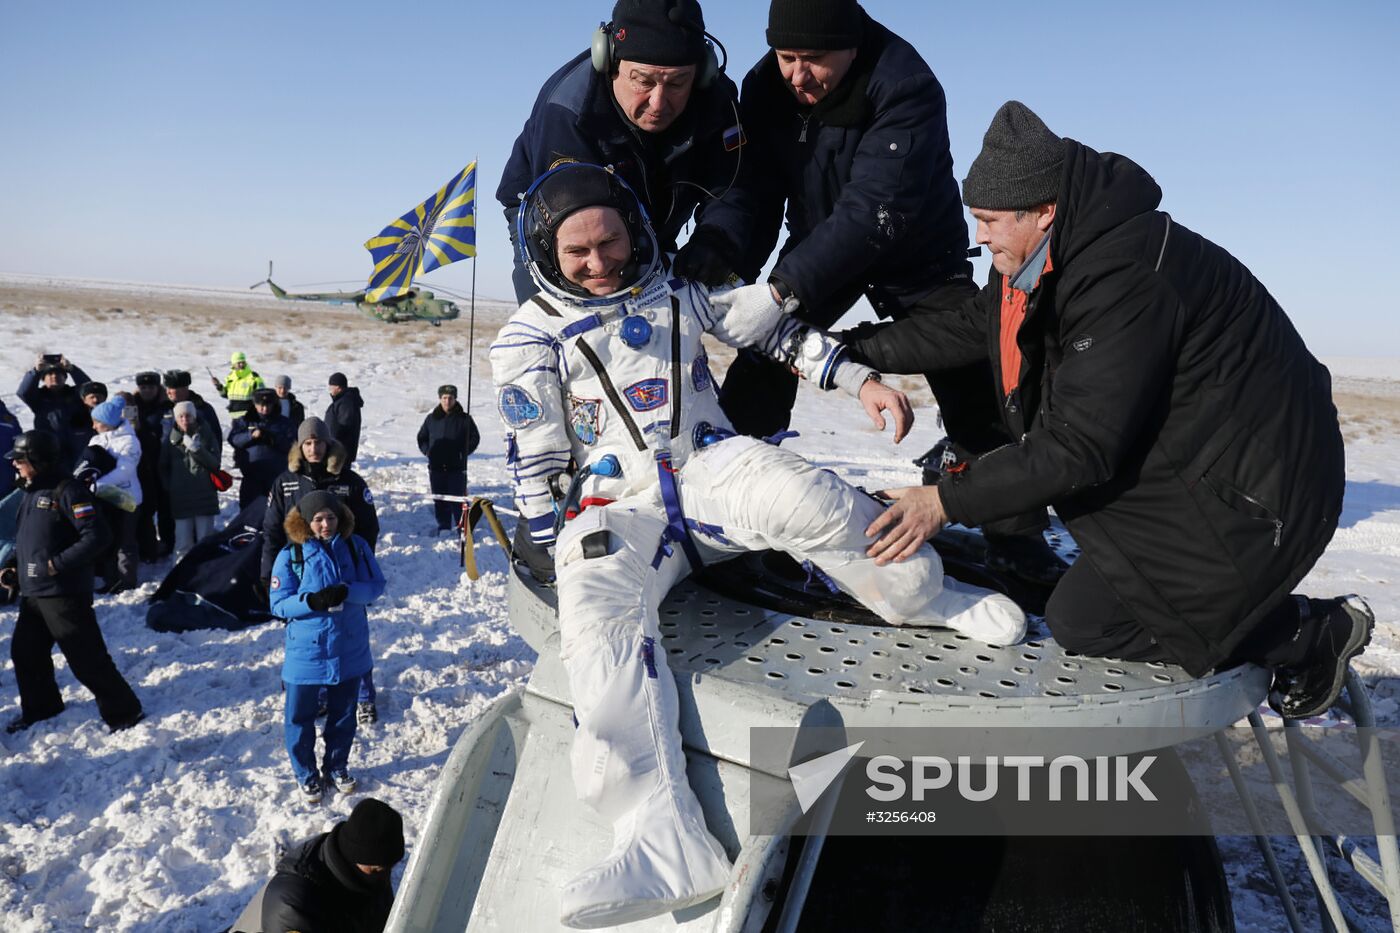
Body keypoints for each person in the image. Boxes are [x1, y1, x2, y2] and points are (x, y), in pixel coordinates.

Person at [490, 162, 1024, 927]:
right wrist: (547, 543)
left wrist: (859, 380)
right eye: (578, 253)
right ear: (545, 255)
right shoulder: (527, 337)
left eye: (609, 240)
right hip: (621, 504)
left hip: (709, 468)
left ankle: (925, 596)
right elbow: (535, 454)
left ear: (633, 230)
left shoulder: (676, 291)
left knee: (809, 494)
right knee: (596, 609)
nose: (600, 261)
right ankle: (660, 834)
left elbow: (776, 332)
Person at [846, 100, 1368, 720]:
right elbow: (970, 325)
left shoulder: (1123, 274)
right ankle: (1253, 619)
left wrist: (943, 500)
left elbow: (1080, 444)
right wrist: (849, 350)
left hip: (1260, 488)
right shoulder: (1054, 255)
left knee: (1083, 621)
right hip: (1197, 458)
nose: (977, 237)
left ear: (1043, 211)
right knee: (1089, 588)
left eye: (987, 221)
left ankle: (1307, 633)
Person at [672, 0, 1064, 585]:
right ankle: (730, 508)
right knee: (763, 363)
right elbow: (750, 190)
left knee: (973, 374)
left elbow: (875, 210)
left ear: (851, 47)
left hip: (913, 251)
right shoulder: (763, 87)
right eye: (786, 57)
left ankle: (1016, 537)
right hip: (819, 246)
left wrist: (780, 290)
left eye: (814, 60)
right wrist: (718, 253)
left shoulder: (907, 85)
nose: (798, 75)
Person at [497, 0, 742, 302]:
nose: (658, 103)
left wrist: (717, 235)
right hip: (552, 220)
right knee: (568, 318)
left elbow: (734, 183)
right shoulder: (568, 112)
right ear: (609, 61)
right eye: (643, 81)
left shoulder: (717, 101)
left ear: (702, 72)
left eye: (678, 83)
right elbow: (580, 235)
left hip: (652, 219)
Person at [4, 430, 144, 734]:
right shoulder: (31, 491)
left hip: (63, 593)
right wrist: (15, 568)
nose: (15, 464)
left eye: (20, 459)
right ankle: (42, 707)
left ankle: (124, 711)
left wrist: (56, 565)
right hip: (35, 593)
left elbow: (98, 536)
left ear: (38, 460)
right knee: (26, 653)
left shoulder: (68, 491)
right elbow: (33, 540)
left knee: (86, 658)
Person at [269, 491, 386, 803]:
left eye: (330, 517)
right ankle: (305, 773)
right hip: (306, 652)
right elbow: (278, 604)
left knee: (344, 714)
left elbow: (376, 586)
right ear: (306, 521)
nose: (325, 524)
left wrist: (348, 591)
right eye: (318, 519)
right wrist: (312, 601)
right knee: (299, 717)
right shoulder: (291, 555)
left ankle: (336, 765)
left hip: (349, 646)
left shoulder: (355, 546)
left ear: (340, 517)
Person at [263, 417, 381, 724]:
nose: (314, 448)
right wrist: (269, 572)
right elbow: (273, 530)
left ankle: (364, 695)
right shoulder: (286, 482)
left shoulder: (350, 480)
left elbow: (368, 527)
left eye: (319, 442)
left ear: (329, 444)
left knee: (353, 635)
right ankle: (318, 694)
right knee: (307, 637)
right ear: (300, 447)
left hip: (345, 574)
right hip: (303, 573)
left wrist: (359, 563)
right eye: (308, 443)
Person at [257, 797, 405, 933]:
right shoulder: (296, 907)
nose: (385, 876)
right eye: (376, 869)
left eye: (389, 867)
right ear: (352, 857)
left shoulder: (365, 873)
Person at [84, 398, 145, 593]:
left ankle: (126, 581)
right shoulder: (97, 439)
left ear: (109, 422)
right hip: (104, 498)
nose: (93, 426)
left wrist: (97, 484)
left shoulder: (129, 441)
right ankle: (111, 579)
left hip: (127, 499)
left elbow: (125, 470)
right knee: (108, 540)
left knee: (125, 541)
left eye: (97, 422)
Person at [159, 401, 222, 560]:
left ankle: (207, 574)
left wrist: (197, 450)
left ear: (194, 417)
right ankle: (180, 575)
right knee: (182, 543)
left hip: (204, 494)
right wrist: (170, 486)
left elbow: (215, 464)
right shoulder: (171, 439)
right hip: (180, 497)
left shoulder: (206, 434)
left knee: (205, 541)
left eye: (188, 415)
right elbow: (163, 466)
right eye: (180, 416)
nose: (185, 419)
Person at [416, 384, 480, 534]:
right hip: (436, 467)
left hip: (456, 468)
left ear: (455, 399)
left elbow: (475, 438)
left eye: (450, 398)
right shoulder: (431, 419)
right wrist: (428, 452)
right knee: (440, 499)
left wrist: (464, 452)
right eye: (444, 398)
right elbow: (422, 438)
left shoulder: (464, 419)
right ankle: (444, 526)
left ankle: (462, 529)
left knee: (458, 500)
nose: (447, 401)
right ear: (440, 399)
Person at [17, 353, 93, 472]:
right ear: (43, 379)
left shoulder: (75, 394)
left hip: (78, 448)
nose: (54, 376)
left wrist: (72, 369)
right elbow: (23, 392)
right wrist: (36, 371)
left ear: (64, 378)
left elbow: (90, 388)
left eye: (58, 374)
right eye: (49, 374)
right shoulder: (39, 398)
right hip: (51, 450)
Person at [229, 388, 297, 508]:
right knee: (249, 511)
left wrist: (273, 440)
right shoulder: (245, 421)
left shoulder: (284, 423)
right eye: (261, 405)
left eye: (268, 405)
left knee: (276, 509)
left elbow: (293, 445)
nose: (265, 409)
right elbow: (234, 439)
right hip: (252, 476)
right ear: (255, 405)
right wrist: (250, 436)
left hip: (276, 476)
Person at [132, 371, 173, 561]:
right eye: (143, 387)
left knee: (165, 504)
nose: (147, 390)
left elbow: (169, 433)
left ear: (158, 388)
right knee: (145, 506)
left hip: (161, 461)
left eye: (151, 387)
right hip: (139, 464)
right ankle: (145, 544)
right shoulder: (132, 406)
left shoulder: (166, 406)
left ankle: (167, 541)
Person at [323, 373, 363, 466]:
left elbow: (343, 427)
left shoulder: (345, 403)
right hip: (338, 450)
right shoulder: (342, 401)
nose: (330, 389)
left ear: (338, 387)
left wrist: (331, 444)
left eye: (331, 386)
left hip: (340, 451)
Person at [213, 351, 264, 416]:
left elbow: (262, 396)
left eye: (243, 362)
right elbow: (225, 394)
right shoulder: (230, 377)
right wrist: (218, 386)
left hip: (250, 417)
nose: (241, 364)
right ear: (233, 364)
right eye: (239, 363)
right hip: (234, 416)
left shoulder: (254, 377)